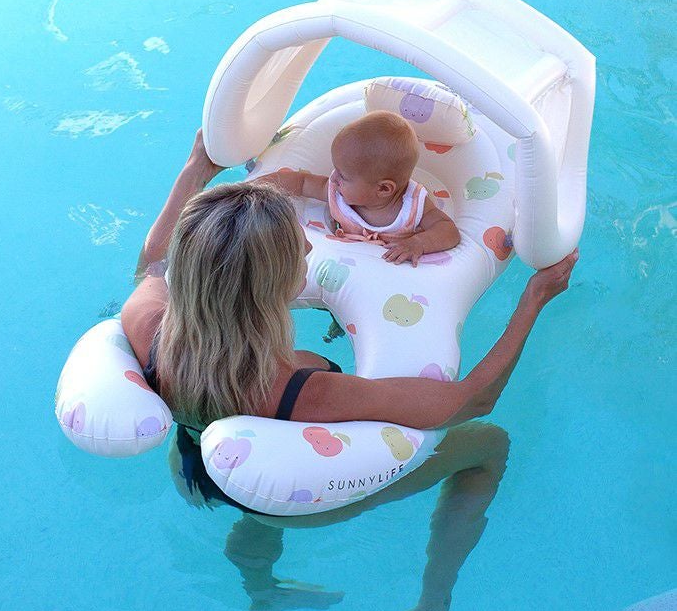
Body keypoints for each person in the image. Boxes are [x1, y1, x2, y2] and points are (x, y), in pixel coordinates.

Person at [122, 128, 578, 440]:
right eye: (297, 246)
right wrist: (533, 300)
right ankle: (445, 556)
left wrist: (196, 169)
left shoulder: (148, 327)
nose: (308, 246)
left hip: (194, 450)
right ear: (267, 290)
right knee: (487, 446)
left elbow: (153, 265)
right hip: (283, 486)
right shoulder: (308, 393)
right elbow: (472, 402)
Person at [259, 110, 461, 267]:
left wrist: (418, 243)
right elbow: (302, 182)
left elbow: (448, 230)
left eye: (343, 175)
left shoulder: (414, 206)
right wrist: (256, 186)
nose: (334, 178)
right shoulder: (337, 193)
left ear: (383, 189)